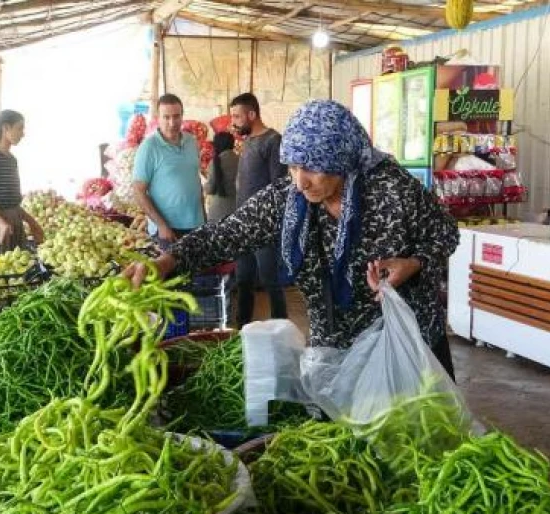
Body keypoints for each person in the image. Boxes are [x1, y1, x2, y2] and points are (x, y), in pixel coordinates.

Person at [123, 99, 460, 376]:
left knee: (415, 442)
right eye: (293, 167)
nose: (300, 181)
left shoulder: (393, 191)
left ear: (341, 160)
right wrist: (168, 261)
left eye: (312, 168)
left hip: (406, 343)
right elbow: (227, 233)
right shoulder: (290, 199)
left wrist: (414, 263)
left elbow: (445, 234)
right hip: (336, 346)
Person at [230, 92, 288, 327]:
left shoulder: (273, 141)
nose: (233, 121)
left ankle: (281, 329)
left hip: (263, 225)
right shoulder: (248, 141)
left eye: (237, 116)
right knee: (243, 280)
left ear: (252, 115)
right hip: (242, 224)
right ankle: (240, 330)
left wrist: (270, 220)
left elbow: (278, 185)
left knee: (269, 279)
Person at [132, 94, 204, 249]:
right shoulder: (149, 147)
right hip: (168, 230)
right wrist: (161, 226)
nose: (172, 123)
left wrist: (203, 216)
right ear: (158, 118)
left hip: (196, 225)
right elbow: (138, 191)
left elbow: (194, 178)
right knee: (172, 272)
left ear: (182, 116)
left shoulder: (191, 141)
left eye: (176, 116)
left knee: (197, 272)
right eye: (166, 117)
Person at [0, 110, 43, 253]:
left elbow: (12, 202)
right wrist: (1, 224)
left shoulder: (11, 160)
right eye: (20, 128)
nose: (23, 134)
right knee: (0, 269)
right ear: (6, 128)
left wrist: (31, 221)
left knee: (18, 267)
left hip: (14, 221)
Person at [204, 131, 239, 223]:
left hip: (218, 211)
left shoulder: (216, 161)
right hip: (238, 208)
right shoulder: (241, 160)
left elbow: (210, 189)